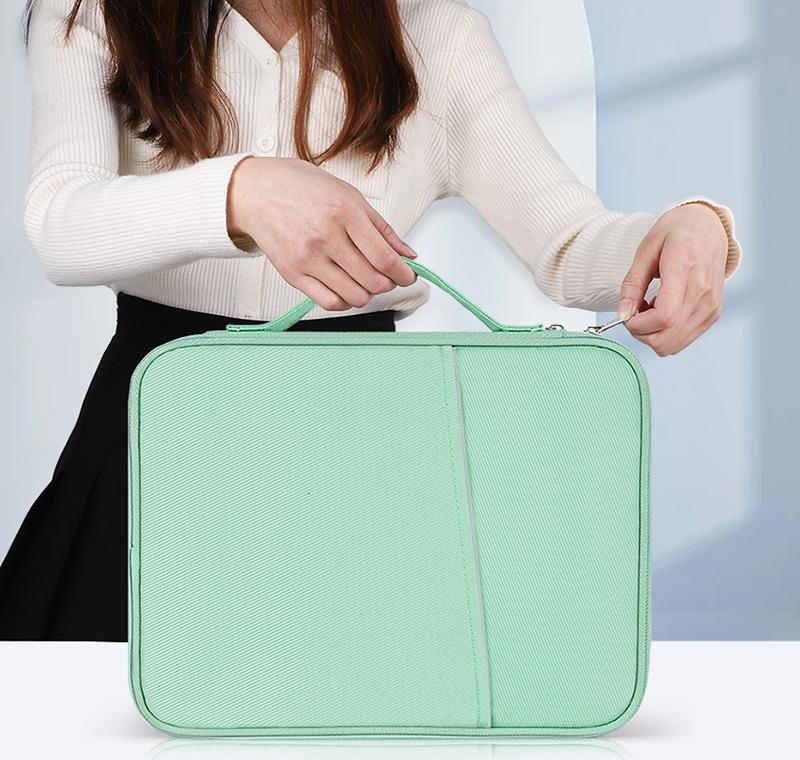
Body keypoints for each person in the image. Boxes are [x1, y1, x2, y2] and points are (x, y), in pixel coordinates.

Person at [0, 0, 742, 642]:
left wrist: (689, 227)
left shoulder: (434, 33)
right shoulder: (95, 13)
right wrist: (240, 191)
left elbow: (570, 243)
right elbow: (59, 223)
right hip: (151, 447)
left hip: (358, 464)